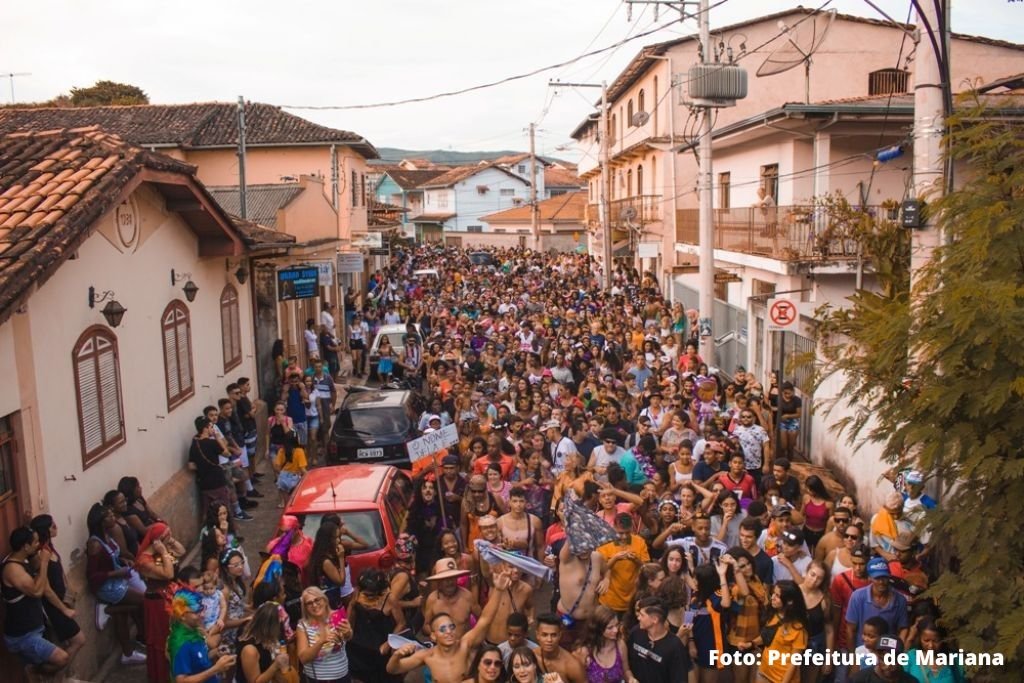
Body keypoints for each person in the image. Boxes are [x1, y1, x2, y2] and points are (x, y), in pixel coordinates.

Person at [387, 568, 513, 683]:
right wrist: (397, 655)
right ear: (433, 636)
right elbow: (393, 669)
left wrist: (498, 590)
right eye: (442, 629)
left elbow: (485, 619)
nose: (448, 631)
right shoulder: (427, 656)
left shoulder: (464, 645)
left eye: (451, 627)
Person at [2, 526, 72, 676]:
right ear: (25, 546)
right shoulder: (13, 569)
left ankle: (34, 671)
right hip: (24, 635)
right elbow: (37, 591)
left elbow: (44, 586)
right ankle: (33, 670)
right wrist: (44, 562)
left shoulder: (24, 559)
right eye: (35, 542)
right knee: (61, 658)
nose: (38, 544)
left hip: (34, 628)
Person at [85, 503, 147, 664]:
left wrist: (122, 560)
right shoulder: (95, 544)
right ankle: (107, 609)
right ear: (101, 521)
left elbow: (112, 558)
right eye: (109, 516)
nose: (113, 518)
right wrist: (116, 573)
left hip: (119, 581)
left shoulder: (109, 536)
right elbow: (92, 575)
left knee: (122, 616)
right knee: (145, 600)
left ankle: (127, 653)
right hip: (107, 587)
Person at [28, 515, 85, 667]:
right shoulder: (40, 556)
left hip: (61, 600)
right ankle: (53, 674)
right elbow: (45, 588)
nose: (56, 527)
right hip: (53, 605)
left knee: (68, 643)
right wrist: (63, 608)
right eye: (52, 526)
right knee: (79, 640)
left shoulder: (48, 548)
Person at [135, 522, 180, 683]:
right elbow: (168, 573)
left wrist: (170, 543)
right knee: (161, 637)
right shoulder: (144, 560)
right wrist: (163, 552)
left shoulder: (161, 552)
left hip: (167, 597)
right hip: (156, 603)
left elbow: (181, 551)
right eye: (167, 535)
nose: (170, 538)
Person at [348, 568, 406, 682]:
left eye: (372, 595)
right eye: (365, 594)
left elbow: (401, 623)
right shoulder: (357, 593)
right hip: (358, 645)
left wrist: (389, 643)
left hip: (380, 648)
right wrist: (348, 631)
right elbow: (352, 609)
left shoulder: (390, 599)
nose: (368, 597)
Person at [168, 586, 236, 683]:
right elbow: (181, 680)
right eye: (197, 612)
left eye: (202, 609)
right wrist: (216, 669)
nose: (203, 615)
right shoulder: (181, 643)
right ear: (182, 616)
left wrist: (216, 653)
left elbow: (197, 658)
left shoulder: (195, 629)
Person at [844, 557, 910, 651]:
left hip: (887, 654)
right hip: (863, 652)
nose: (881, 582)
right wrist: (853, 658)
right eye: (877, 578)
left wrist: (897, 651)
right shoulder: (857, 597)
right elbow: (850, 630)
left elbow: (903, 628)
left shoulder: (900, 600)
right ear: (870, 578)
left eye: (884, 577)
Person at [626, 597, 690, 683]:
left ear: (654, 620)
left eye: (642, 615)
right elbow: (626, 663)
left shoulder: (675, 647)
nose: (638, 618)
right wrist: (630, 678)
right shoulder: (636, 633)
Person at [296, 586, 353, 683]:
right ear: (305, 607)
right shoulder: (303, 626)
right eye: (309, 603)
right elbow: (303, 658)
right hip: (317, 679)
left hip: (341, 676)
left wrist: (349, 632)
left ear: (325, 600)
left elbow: (347, 637)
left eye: (317, 600)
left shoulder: (337, 616)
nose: (314, 605)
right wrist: (321, 641)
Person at [596, 513, 650, 614]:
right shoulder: (605, 543)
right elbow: (599, 571)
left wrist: (636, 560)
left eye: (627, 532)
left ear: (632, 528)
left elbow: (647, 569)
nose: (624, 537)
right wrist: (614, 559)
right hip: (609, 601)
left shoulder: (640, 542)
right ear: (614, 528)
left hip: (633, 600)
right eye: (620, 533)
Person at [756, 580, 809, 683]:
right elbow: (767, 637)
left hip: (781, 679)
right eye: (773, 593)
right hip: (764, 673)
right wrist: (751, 643)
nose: (772, 598)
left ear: (789, 601)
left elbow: (794, 662)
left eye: (777, 595)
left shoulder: (798, 628)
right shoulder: (773, 614)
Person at [572, 606, 630, 683]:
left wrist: (631, 679)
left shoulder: (620, 645)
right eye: (610, 628)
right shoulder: (583, 652)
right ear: (598, 628)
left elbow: (626, 670)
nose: (616, 630)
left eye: (617, 625)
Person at [532, 613, 587, 683]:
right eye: (544, 635)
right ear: (537, 635)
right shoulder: (532, 656)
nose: (549, 640)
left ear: (560, 635)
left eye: (554, 635)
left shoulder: (572, 666)